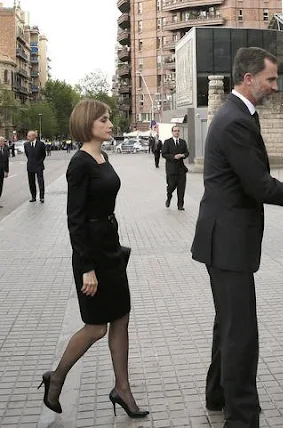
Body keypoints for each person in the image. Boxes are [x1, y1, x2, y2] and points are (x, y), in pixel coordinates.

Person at [190, 47, 283, 428]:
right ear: (248, 78)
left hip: (222, 240)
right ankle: (241, 416)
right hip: (228, 242)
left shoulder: (234, 114)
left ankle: (217, 394)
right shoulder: (237, 120)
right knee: (241, 331)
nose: (275, 86)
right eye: (270, 79)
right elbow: (257, 185)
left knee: (228, 322)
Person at [38, 99, 148, 419]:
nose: (110, 124)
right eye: (104, 120)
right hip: (92, 255)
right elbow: (75, 220)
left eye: (109, 120)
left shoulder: (103, 156)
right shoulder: (80, 164)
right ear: (89, 124)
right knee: (97, 327)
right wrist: (87, 267)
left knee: (122, 317)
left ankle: (122, 389)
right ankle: (56, 377)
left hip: (111, 248)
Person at [162, 126, 189, 210]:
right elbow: (164, 154)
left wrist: (183, 155)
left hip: (181, 169)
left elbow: (187, 152)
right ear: (172, 132)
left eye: (178, 131)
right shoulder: (167, 142)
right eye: (175, 131)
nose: (177, 132)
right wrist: (173, 157)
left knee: (181, 188)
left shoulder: (183, 142)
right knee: (171, 186)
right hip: (171, 169)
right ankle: (169, 197)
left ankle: (180, 205)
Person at [24, 130, 46, 203]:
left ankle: (42, 197)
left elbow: (43, 154)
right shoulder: (26, 145)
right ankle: (33, 196)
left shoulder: (41, 144)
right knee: (31, 182)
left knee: (40, 181)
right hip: (30, 166)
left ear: (34, 136)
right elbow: (27, 154)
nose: (28, 137)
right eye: (28, 136)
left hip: (39, 165)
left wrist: (40, 162)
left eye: (29, 136)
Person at [0, 137, 9, 208]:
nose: (4, 142)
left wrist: (6, 171)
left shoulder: (5, 149)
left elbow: (6, 161)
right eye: (3, 141)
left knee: (0, 187)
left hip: (2, 172)